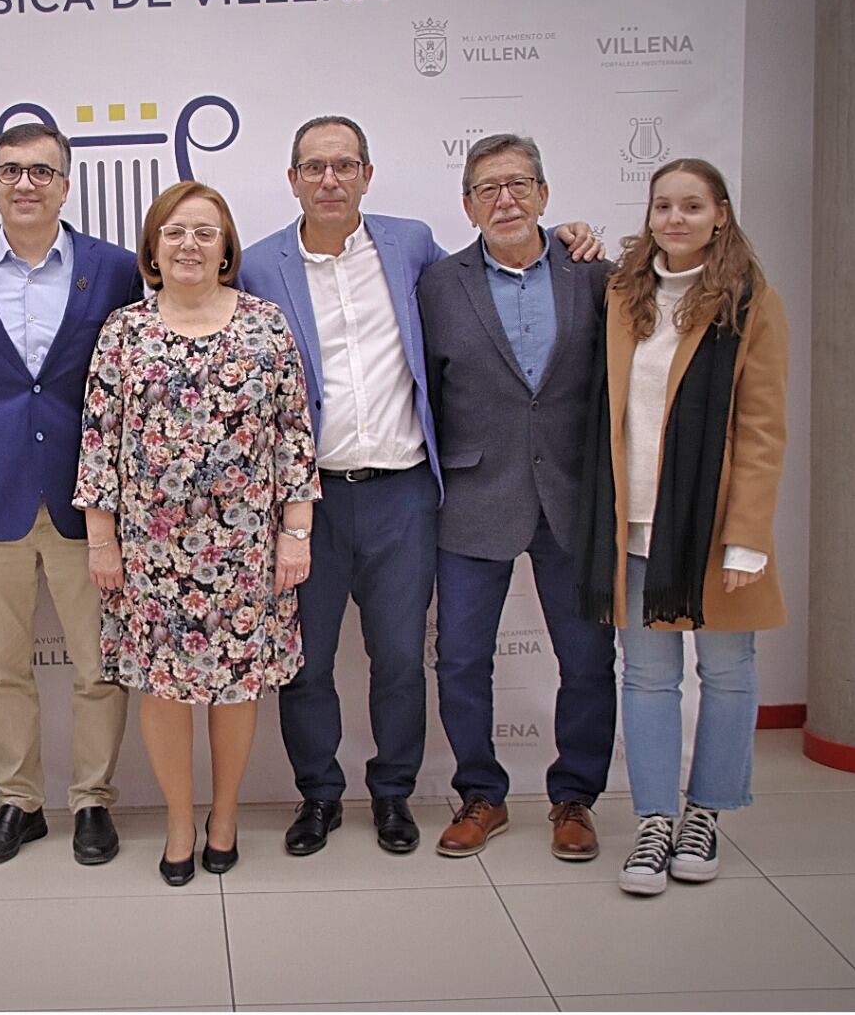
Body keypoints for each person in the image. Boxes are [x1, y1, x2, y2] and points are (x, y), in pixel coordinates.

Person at [239, 114, 601, 857]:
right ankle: (318, 796)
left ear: (368, 174)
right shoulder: (257, 266)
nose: (331, 179)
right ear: (293, 180)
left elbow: (505, 267)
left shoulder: (411, 250)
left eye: (345, 165)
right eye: (314, 167)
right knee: (306, 662)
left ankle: (394, 794)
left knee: (401, 657)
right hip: (305, 499)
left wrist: (573, 234)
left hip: (403, 492)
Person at [75, 182, 320, 885]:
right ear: (152, 247)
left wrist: (295, 533)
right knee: (164, 688)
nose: (189, 244)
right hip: (149, 551)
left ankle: (225, 816)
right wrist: (102, 540)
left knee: (237, 687)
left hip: (246, 548)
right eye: (174, 232)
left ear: (226, 247)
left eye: (205, 232)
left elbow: (294, 436)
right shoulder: (123, 331)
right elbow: (98, 444)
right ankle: (180, 821)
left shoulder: (266, 324)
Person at [571, 158, 788, 896]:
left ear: (720, 214)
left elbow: (761, 430)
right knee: (649, 679)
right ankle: (655, 820)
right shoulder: (623, 293)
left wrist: (749, 540)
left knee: (726, 674)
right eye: (663, 205)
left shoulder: (751, 303)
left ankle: (708, 813)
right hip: (630, 525)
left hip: (712, 528)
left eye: (692, 206)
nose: (675, 218)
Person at [0, 122, 143, 866]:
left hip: (91, 504)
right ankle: (19, 802)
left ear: (65, 182)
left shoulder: (115, 269)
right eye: (10, 170)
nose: (25, 184)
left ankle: (92, 802)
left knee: (97, 665)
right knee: (2, 667)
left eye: (41, 172)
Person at [418, 134, 617, 863]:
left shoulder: (594, 274)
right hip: (474, 496)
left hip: (575, 497)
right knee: (463, 659)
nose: (505, 199)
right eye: (488, 188)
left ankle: (574, 798)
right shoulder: (437, 285)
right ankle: (481, 794)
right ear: (467, 204)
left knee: (588, 658)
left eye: (519, 184)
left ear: (544, 193)